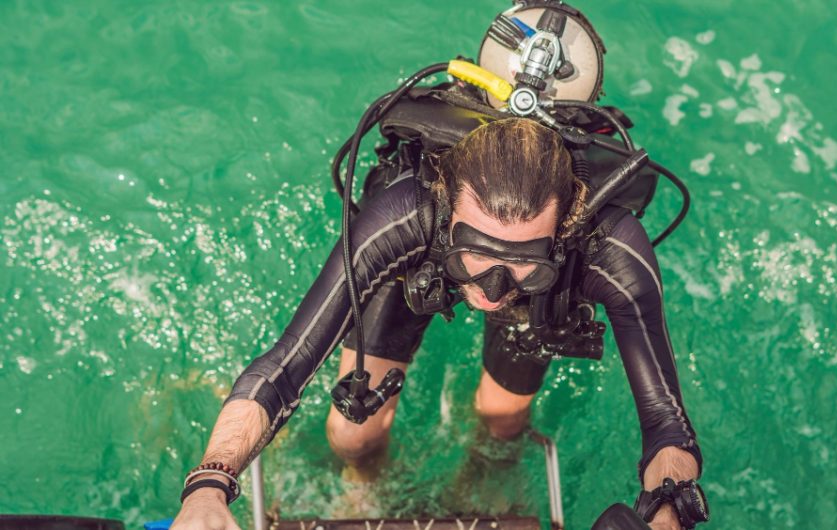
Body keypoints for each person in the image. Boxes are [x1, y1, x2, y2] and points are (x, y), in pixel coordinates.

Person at [171, 118, 703, 530]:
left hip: (541, 292)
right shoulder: (403, 215)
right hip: (422, 266)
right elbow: (285, 366)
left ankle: (483, 473)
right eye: (478, 255)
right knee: (353, 434)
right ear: (446, 210)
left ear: (565, 224)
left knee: (502, 420)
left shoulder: (608, 250)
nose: (493, 292)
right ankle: (364, 481)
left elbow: (666, 425)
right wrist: (209, 485)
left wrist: (666, 513)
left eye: (521, 264)